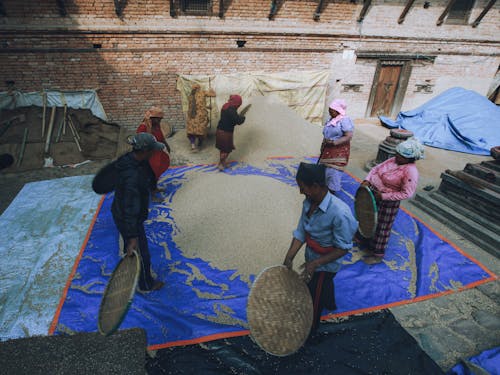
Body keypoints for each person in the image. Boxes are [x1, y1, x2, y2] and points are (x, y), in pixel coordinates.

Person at [283, 162, 358, 331]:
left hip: (325, 264)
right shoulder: (308, 203)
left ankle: (310, 330)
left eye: (303, 188)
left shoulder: (340, 213)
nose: (301, 192)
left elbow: (343, 248)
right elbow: (302, 231)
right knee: (325, 285)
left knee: (314, 294)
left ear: (316, 186)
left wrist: (315, 264)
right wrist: (289, 257)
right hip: (312, 255)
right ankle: (330, 303)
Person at [112, 132, 166, 292]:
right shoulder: (133, 179)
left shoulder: (135, 159)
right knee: (142, 253)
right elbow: (130, 210)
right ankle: (146, 284)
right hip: (127, 215)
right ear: (145, 151)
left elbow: (148, 175)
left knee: (133, 248)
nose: (154, 153)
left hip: (121, 209)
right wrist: (133, 236)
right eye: (152, 150)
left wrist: (152, 188)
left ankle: (129, 255)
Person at [361, 138, 425, 265]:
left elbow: (407, 193)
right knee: (367, 216)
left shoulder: (410, 172)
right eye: (397, 153)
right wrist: (367, 179)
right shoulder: (393, 160)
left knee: (382, 227)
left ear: (409, 158)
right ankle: (364, 238)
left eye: (400, 155)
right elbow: (375, 169)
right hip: (373, 193)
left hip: (388, 202)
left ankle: (377, 254)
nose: (396, 156)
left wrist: (384, 196)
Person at [318, 99, 354, 195]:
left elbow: (348, 136)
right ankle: (324, 190)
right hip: (328, 149)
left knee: (334, 172)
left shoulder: (345, 120)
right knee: (326, 171)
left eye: (331, 110)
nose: (329, 112)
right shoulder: (331, 120)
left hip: (339, 151)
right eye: (329, 109)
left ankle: (331, 192)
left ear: (338, 110)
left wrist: (334, 142)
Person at [136, 106, 171, 184]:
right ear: (152, 118)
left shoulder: (156, 125)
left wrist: (167, 145)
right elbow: (140, 143)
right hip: (148, 154)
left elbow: (161, 136)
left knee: (162, 164)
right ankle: (152, 189)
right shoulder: (143, 127)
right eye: (158, 119)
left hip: (158, 151)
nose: (160, 121)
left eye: (161, 120)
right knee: (152, 171)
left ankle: (154, 184)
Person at [215, 94, 246, 171]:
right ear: (236, 102)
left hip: (220, 130)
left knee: (223, 149)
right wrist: (243, 117)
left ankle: (222, 163)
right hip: (225, 132)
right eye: (238, 104)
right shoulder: (231, 110)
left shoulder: (226, 105)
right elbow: (238, 121)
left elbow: (231, 119)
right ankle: (220, 164)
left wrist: (237, 116)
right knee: (227, 150)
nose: (238, 106)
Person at [186, 83, 216, 151]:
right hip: (200, 117)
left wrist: (207, 107)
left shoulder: (190, 96)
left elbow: (196, 106)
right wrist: (212, 90)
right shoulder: (202, 93)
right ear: (199, 88)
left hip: (191, 117)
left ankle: (193, 145)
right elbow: (214, 95)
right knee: (201, 131)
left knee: (191, 132)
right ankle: (200, 144)